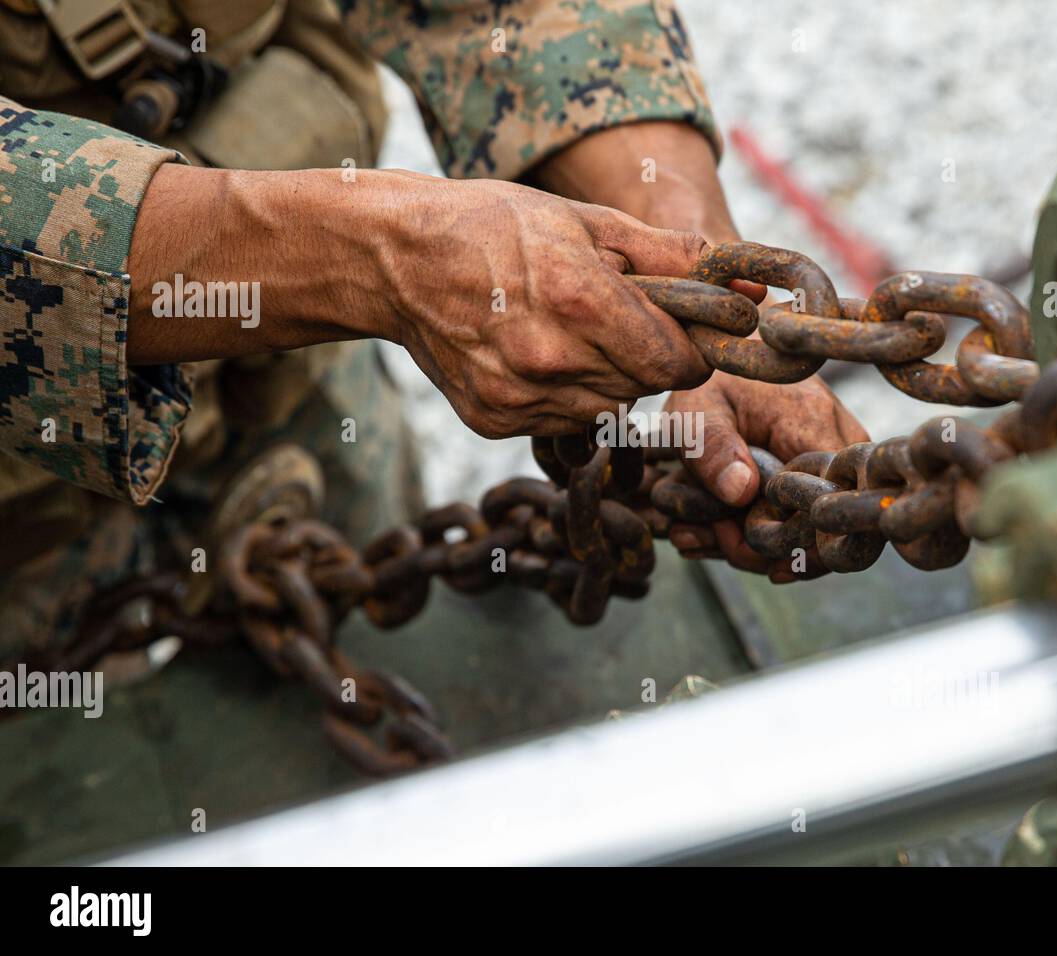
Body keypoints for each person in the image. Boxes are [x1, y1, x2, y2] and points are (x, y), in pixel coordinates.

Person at [0, 0, 868, 669]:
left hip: (288, 387)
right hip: (21, 528)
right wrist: (375, 256)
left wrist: (684, 248)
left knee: (396, 682)